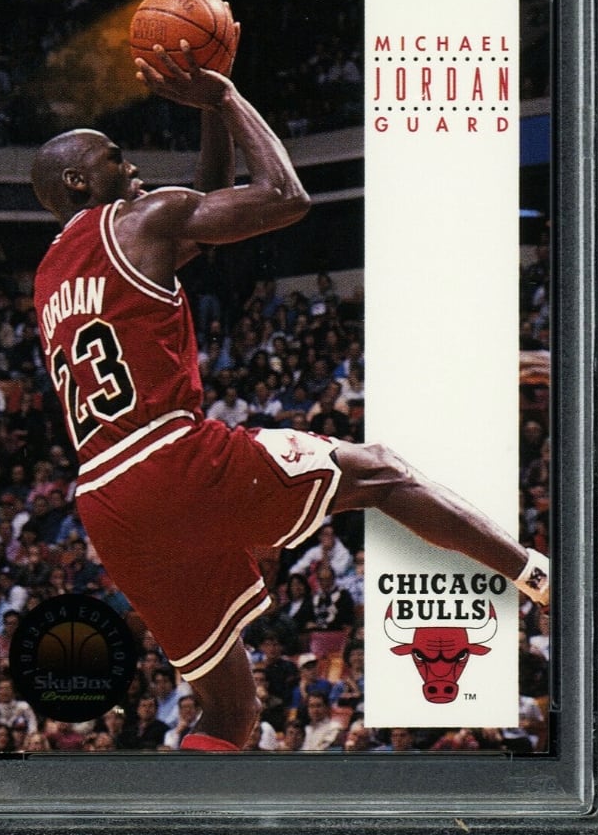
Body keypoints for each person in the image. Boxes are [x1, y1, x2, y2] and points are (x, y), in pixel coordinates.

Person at [31, 38, 549, 754]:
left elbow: (204, 217)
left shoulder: (50, 274)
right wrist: (225, 98)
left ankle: (182, 808)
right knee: (380, 472)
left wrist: (208, 118)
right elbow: (285, 197)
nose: (133, 167)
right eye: (115, 159)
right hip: (170, 456)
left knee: (229, 711)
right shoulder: (139, 219)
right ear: (79, 182)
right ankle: (540, 579)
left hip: (107, 502)